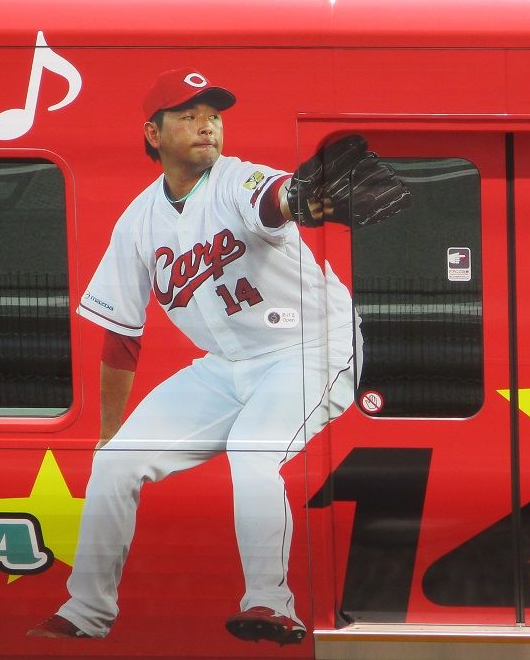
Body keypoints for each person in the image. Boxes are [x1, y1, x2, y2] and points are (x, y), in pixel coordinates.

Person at [27, 68, 360, 645]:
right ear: (153, 135)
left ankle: (270, 604)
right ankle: (86, 613)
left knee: (251, 451)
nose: (206, 124)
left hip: (312, 347)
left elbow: (275, 197)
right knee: (114, 464)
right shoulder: (138, 221)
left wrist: (299, 197)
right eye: (188, 114)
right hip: (227, 365)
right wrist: (110, 434)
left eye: (213, 115)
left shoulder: (237, 180)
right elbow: (121, 337)